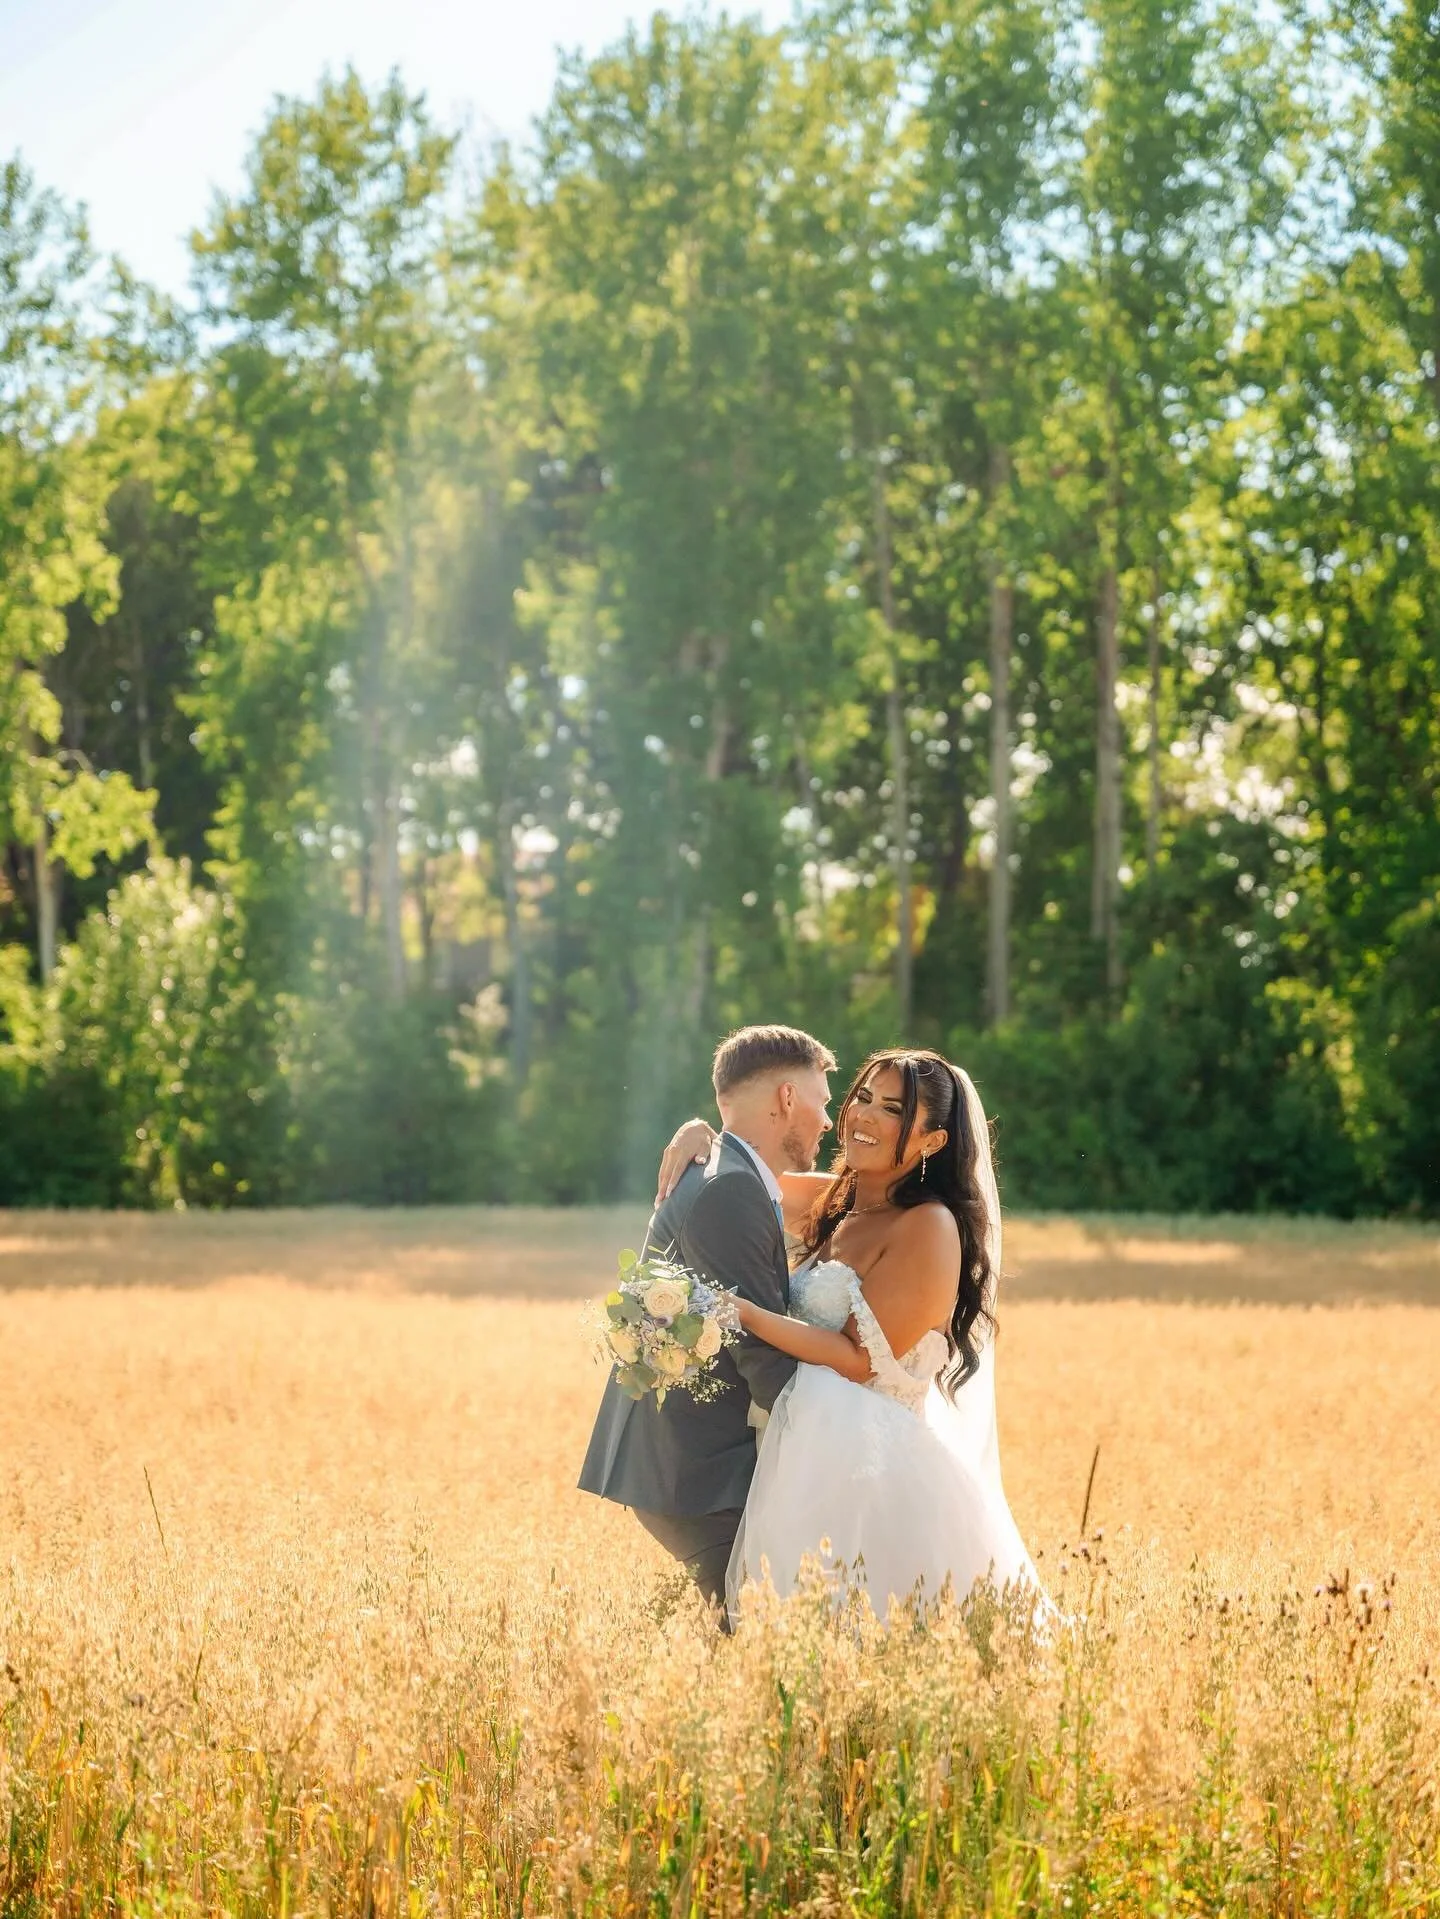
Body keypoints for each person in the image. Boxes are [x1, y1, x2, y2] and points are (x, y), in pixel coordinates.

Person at [655, 1048, 1046, 1625]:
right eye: (862, 1096)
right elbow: (742, 1174)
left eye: (892, 1108)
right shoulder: (838, 1198)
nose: (863, 1115)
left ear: (931, 1142)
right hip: (810, 1438)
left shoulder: (928, 1227)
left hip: (870, 1458)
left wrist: (746, 1313)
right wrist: (699, 1132)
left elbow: (862, 1361)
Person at [577, 1023, 836, 1608]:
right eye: (822, 1103)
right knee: (764, 1628)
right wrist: (857, 1421)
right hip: (700, 1469)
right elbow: (762, 1356)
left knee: (749, 1630)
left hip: (685, 1458)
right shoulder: (731, 1189)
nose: (827, 1121)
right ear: (787, 1099)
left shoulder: (727, 1169)